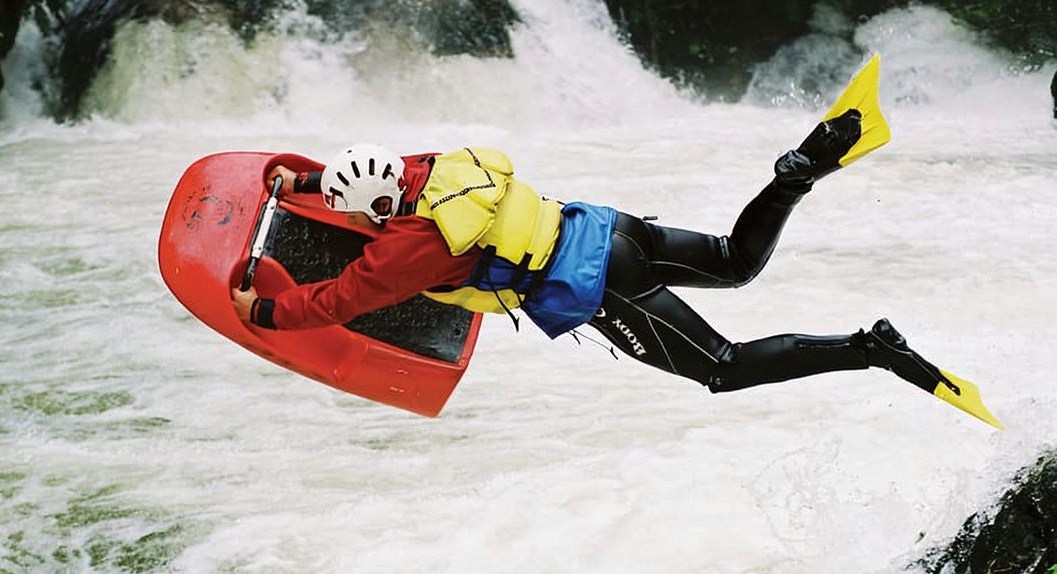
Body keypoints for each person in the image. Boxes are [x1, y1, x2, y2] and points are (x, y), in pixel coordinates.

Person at [229, 111, 999, 426]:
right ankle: (801, 168)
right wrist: (302, 183)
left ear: (380, 204)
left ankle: (872, 348)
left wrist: (264, 311)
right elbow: (367, 181)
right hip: (609, 229)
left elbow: (338, 299)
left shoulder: (417, 247)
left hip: (602, 287)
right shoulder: (427, 166)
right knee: (736, 263)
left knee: (723, 370)